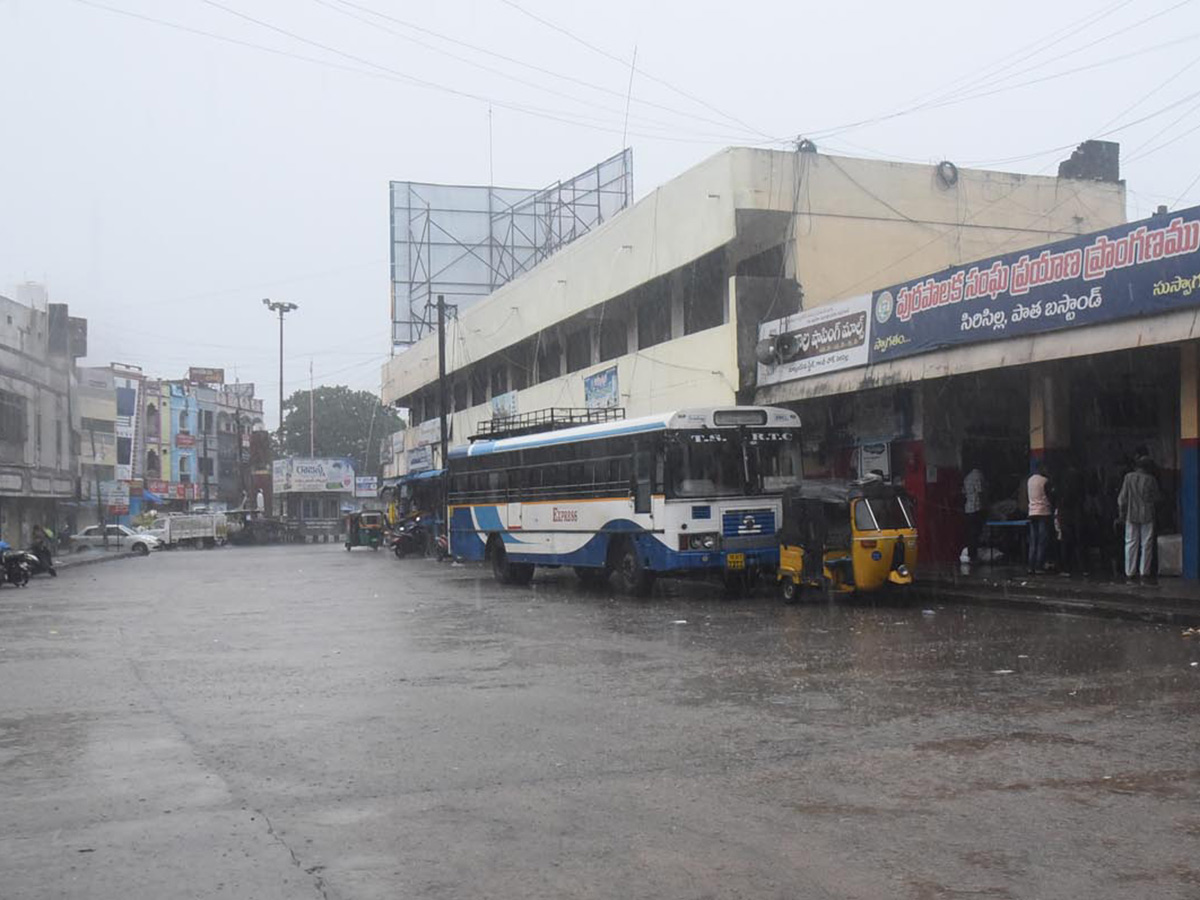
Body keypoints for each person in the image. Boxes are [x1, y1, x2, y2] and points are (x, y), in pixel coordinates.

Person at [1117, 455, 1160, 584]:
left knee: (1130, 542)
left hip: (1131, 515)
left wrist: (1121, 514)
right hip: (1147, 515)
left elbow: (1122, 499)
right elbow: (1157, 498)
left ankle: (1129, 571)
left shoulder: (1128, 478)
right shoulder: (1151, 480)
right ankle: (1144, 572)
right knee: (1146, 543)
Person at [1057, 463, 1087, 577]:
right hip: (1077, 514)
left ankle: (1066, 567)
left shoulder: (1061, 485)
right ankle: (1083, 567)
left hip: (1065, 514)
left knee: (1065, 541)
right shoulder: (1079, 486)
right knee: (1079, 542)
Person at [1027, 462, 1053, 574]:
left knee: (1033, 540)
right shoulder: (1045, 481)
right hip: (1043, 512)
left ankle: (1030, 565)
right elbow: (1049, 496)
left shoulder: (1030, 480)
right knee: (1042, 540)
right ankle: (1039, 565)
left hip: (1032, 512)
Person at [962, 464, 986, 563]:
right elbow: (981, 492)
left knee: (971, 534)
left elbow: (963, 492)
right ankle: (975, 556)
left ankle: (971, 555)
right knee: (976, 533)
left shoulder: (967, 477)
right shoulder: (978, 475)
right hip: (976, 508)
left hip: (968, 509)